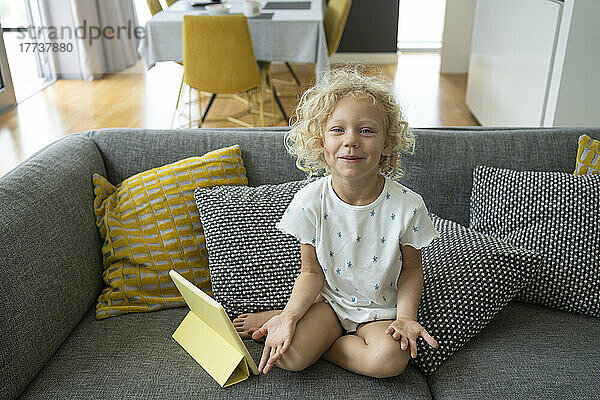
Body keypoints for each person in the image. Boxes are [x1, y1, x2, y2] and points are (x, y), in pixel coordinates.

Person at [233, 66, 440, 378]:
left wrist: (406, 317)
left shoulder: (407, 205)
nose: (351, 141)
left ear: (386, 144)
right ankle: (290, 318)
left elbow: (412, 270)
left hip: (380, 313)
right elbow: (310, 272)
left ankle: (318, 340)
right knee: (287, 356)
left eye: (367, 130)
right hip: (329, 305)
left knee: (390, 362)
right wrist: (292, 315)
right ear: (321, 144)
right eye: (338, 130)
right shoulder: (309, 201)